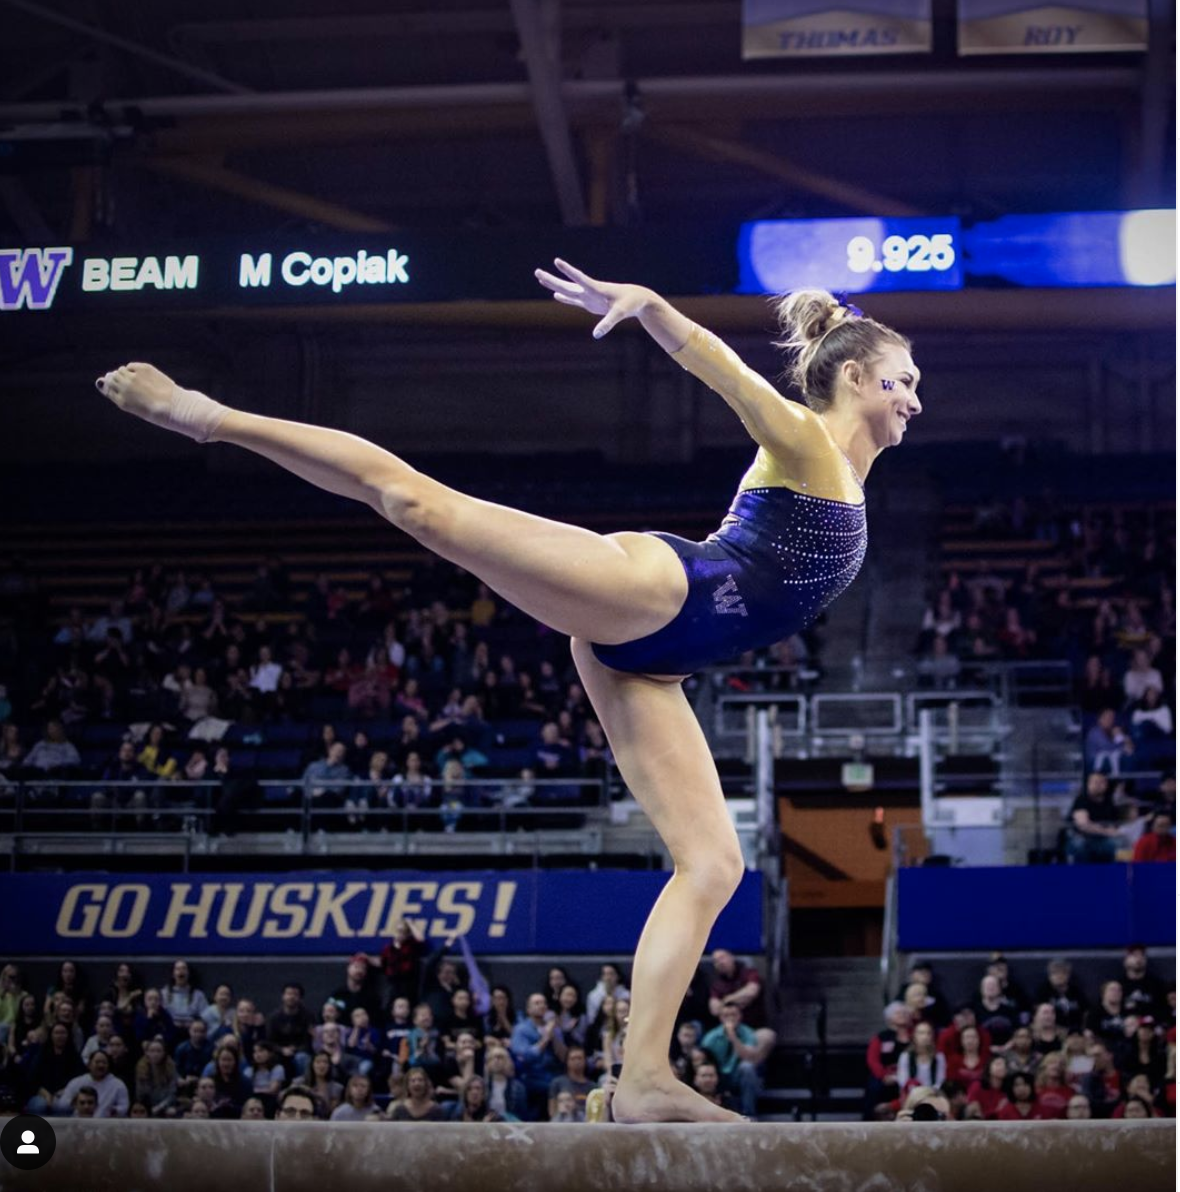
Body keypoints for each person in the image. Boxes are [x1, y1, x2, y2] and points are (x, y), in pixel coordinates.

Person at [97, 261, 921, 1122]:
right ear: (855, 378)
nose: (915, 401)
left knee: (714, 865)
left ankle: (640, 1080)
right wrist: (652, 310)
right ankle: (204, 414)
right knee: (421, 507)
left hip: (652, 663)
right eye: (902, 382)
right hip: (650, 593)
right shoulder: (808, 442)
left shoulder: (848, 480)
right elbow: (729, 374)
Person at [1065, 770, 1125, 863]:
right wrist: (1106, 831)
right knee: (1079, 845)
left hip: (1103, 840)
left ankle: (1115, 873)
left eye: (1102, 782)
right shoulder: (1081, 800)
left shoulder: (1109, 801)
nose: (1098, 785)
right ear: (1088, 784)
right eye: (1095, 782)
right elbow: (1083, 825)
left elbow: (1114, 825)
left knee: (1120, 843)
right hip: (1083, 838)